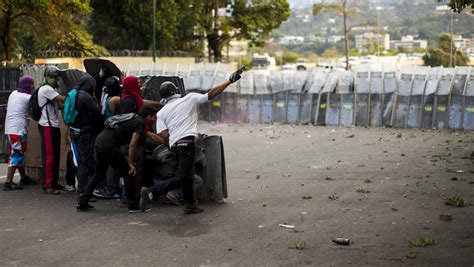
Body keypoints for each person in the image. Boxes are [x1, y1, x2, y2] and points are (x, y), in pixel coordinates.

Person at [153, 67, 243, 213]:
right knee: (185, 176)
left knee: (187, 176)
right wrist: (229, 80)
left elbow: (163, 135)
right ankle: (154, 191)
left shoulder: (162, 112)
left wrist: (172, 141)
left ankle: (190, 205)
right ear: (175, 91)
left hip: (174, 146)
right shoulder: (189, 98)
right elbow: (212, 93)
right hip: (186, 143)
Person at [76, 105, 164, 213]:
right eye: (154, 118)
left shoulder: (134, 119)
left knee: (98, 174)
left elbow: (151, 135)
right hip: (110, 145)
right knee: (129, 173)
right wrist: (130, 163)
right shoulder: (140, 123)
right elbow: (133, 144)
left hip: (100, 141)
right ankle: (133, 206)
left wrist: (167, 142)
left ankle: (82, 203)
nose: (155, 121)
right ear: (148, 116)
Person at [139, 144, 203, 210]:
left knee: (185, 177)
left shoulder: (159, 150)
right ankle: (174, 194)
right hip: (166, 179)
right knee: (195, 180)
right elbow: (175, 172)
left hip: (158, 180)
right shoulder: (172, 149)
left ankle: (170, 195)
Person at [68, 76, 103, 194]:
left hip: (74, 131)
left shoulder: (74, 93)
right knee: (86, 162)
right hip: (84, 133)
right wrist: (94, 97)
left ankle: (83, 190)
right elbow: (97, 111)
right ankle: (84, 191)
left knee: (80, 160)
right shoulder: (86, 97)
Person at [3, 75, 37, 190]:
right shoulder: (27, 97)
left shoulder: (13, 93)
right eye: (32, 85)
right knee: (17, 154)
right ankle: (8, 182)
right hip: (17, 130)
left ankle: (23, 177)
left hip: (10, 129)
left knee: (18, 153)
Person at [37, 66, 66, 195]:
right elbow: (63, 100)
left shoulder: (52, 91)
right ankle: (48, 185)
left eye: (56, 77)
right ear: (46, 77)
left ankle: (53, 183)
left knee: (55, 156)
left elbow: (60, 105)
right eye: (52, 77)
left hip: (53, 126)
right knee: (49, 157)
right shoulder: (46, 89)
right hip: (47, 126)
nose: (55, 80)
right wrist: (74, 95)